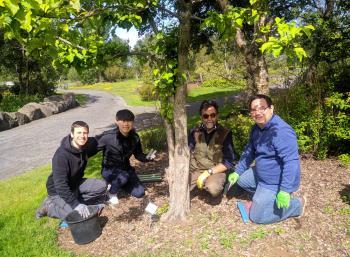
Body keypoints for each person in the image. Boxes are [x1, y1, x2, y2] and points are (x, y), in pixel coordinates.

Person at [228, 94, 305, 224]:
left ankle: (297, 204)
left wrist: (285, 190)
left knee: (257, 216)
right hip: (261, 175)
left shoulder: (281, 131)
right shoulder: (256, 129)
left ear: (271, 108)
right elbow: (249, 151)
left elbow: (291, 163)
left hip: (275, 181)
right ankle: (265, 197)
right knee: (240, 179)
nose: (257, 112)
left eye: (262, 108)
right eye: (253, 109)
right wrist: (238, 171)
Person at [35, 121, 107, 222]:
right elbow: (60, 186)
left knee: (102, 186)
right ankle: (49, 207)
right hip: (57, 191)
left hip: (75, 183)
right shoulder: (61, 156)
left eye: (85, 133)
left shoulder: (86, 146)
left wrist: (118, 131)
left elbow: (99, 138)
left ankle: (74, 201)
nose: (82, 136)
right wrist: (76, 205)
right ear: (72, 134)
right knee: (77, 215)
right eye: (79, 133)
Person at [96, 109, 155, 205]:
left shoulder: (135, 138)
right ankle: (111, 193)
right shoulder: (108, 137)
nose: (126, 124)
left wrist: (147, 158)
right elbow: (92, 147)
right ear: (116, 121)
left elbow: (139, 155)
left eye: (129, 121)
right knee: (123, 176)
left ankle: (117, 184)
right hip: (109, 170)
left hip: (126, 169)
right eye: (123, 121)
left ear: (133, 122)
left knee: (140, 193)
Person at [189, 100, 236, 198]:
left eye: (213, 115)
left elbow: (229, 161)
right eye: (205, 116)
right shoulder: (195, 131)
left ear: (217, 116)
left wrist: (208, 173)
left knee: (213, 189)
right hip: (196, 169)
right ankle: (198, 182)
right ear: (201, 117)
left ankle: (211, 183)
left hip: (215, 171)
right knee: (180, 185)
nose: (209, 119)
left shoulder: (225, 133)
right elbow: (188, 150)